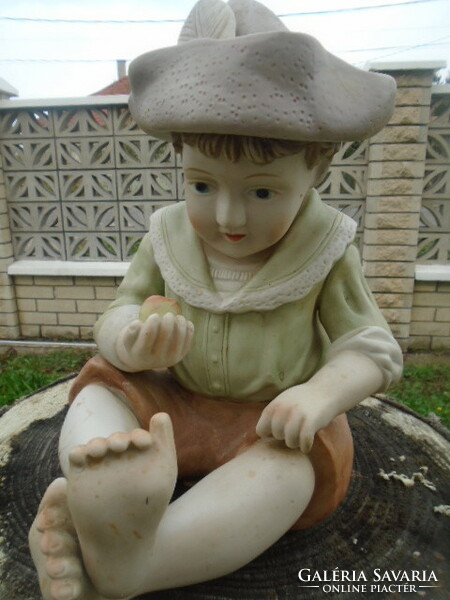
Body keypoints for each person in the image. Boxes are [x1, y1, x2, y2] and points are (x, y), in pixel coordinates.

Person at [28, 2, 403, 600]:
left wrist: (319, 394)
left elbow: (372, 348)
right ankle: (103, 498)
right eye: (202, 184)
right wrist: (131, 338)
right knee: (100, 395)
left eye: (261, 191)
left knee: (284, 475)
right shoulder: (168, 234)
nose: (227, 216)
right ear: (180, 160)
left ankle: (134, 563)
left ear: (317, 167)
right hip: (165, 398)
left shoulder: (327, 248)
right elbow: (118, 310)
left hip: (267, 421)